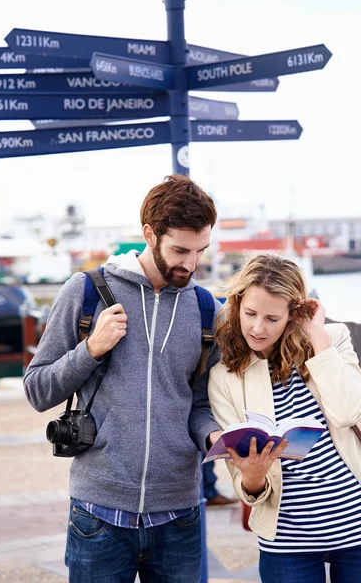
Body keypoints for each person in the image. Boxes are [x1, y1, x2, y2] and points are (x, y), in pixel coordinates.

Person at [23, 174, 224, 583]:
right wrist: (90, 349)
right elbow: (37, 389)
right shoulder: (85, 292)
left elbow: (200, 405)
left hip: (179, 517)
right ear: (150, 234)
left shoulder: (207, 311)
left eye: (200, 250)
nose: (190, 263)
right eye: (180, 250)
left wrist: (214, 438)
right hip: (98, 516)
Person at [208, 253, 361, 583]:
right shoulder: (224, 376)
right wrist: (253, 475)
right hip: (287, 544)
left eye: (272, 318)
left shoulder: (332, 341)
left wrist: (318, 336)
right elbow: (246, 487)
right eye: (249, 313)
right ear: (236, 305)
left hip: (357, 532)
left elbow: (348, 411)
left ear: (293, 316)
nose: (257, 328)